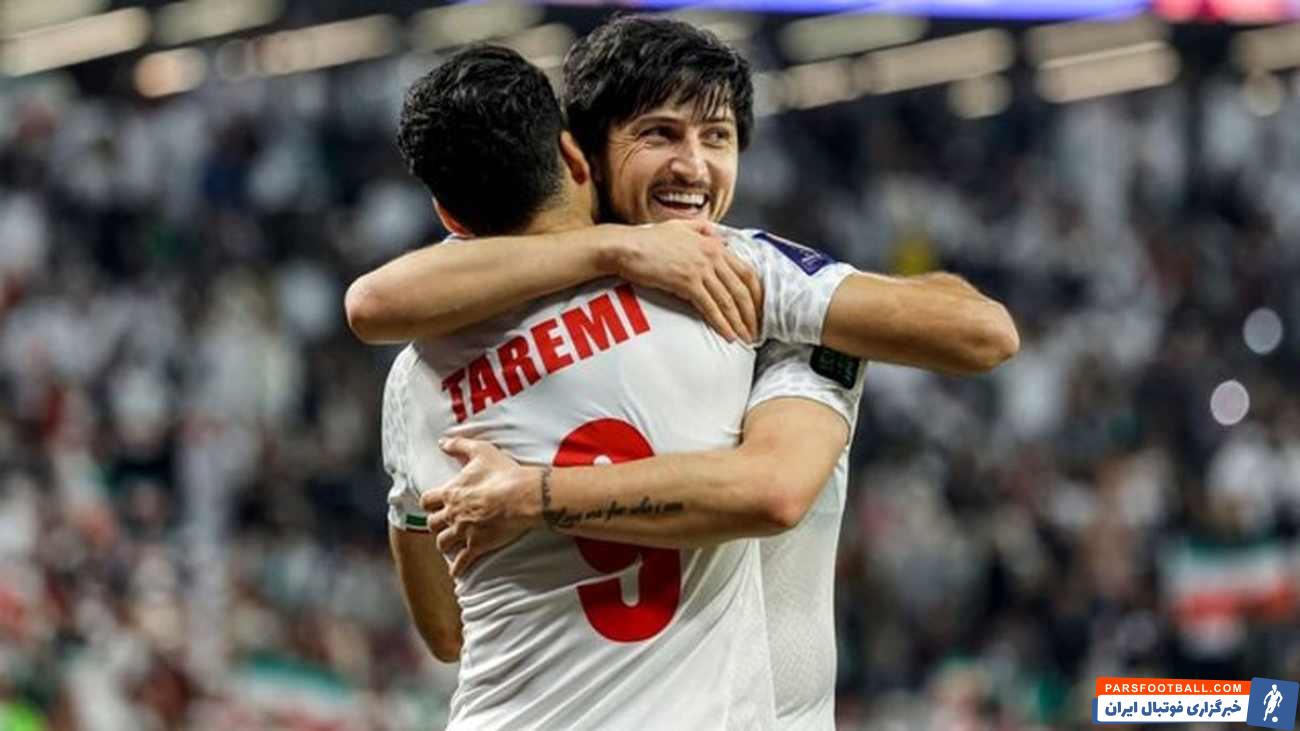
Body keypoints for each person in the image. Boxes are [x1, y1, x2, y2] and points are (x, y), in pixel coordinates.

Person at [351, 16, 1018, 731]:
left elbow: (446, 633)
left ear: (448, 215)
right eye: (659, 134)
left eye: (717, 137)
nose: (693, 166)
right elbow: (977, 338)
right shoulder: (730, 277)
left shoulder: (415, 372)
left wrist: (533, 497)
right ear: (581, 153)